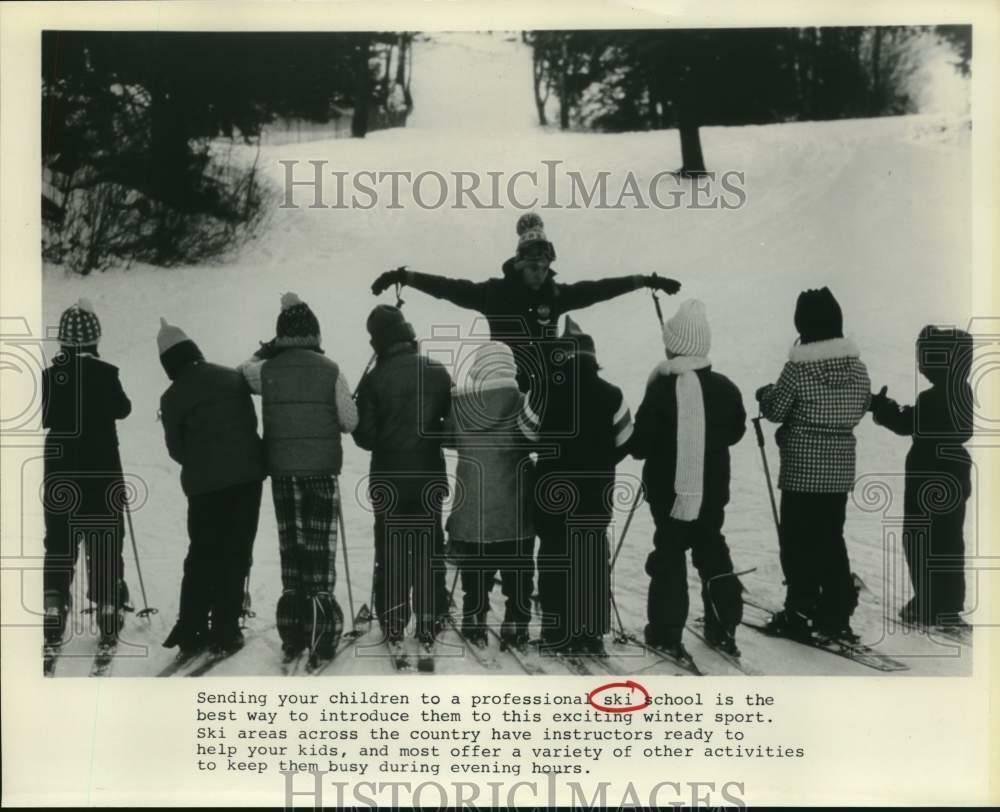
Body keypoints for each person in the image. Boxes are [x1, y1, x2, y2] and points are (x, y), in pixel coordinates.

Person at [369, 213, 681, 401]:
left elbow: (599, 290)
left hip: (548, 391)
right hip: (505, 390)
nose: (539, 274)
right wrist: (405, 277)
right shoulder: (494, 293)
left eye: (545, 268)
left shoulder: (555, 295)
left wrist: (643, 281)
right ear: (519, 264)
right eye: (533, 267)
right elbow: (448, 287)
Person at [238, 293, 356, 662]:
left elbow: (243, 369)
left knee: (293, 550)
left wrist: (267, 350)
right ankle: (323, 632)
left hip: (282, 472)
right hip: (322, 471)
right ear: (315, 333)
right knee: (320, 551)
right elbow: (350, 422)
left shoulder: (266, 370)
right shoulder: (332, 369)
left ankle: (293, 630)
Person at [630, 300, 747, 659]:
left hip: (669, 493)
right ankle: (723, 623)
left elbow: (640, 445)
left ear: (673, 345)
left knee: (669, 553)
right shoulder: (726, 387)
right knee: (711, 547)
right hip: (713, 490)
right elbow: (736, 432)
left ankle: (666, 632)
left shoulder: (663, 388)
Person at [756, 287, 871, 641]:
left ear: (802, 325)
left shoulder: (798, 368)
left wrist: (764, 395)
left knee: (798, 542)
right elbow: (861, 407)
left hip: (802, 471)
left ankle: (800, 611)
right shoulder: (858, 367)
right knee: (831, 539)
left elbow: (775, 412)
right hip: (838, 472)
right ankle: (835, 614)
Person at [158, 318, 266, 656]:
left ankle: (191, 626)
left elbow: (176, 450)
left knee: (202, 552)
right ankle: (226, 627)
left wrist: (202, 460)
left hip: (204, 487)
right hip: (247, 480)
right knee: (236, 550)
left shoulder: (171, 396)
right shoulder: (232, 377)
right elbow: (251, 423)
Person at [353, 305, 452, 649]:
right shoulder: (437, 371)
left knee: (391, 548)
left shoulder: (374, 379)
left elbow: (364, 437)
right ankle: (430, 617)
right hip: (428, 477)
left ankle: (393, 621)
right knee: (429, 548)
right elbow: (452, 431)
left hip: (388, 480)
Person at [533, 317, 633, 656]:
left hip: (552, 490)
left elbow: (525, 435)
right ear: (593, 358)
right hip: (595, 491)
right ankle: (590, 632)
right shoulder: (613, 394)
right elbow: (625, 440)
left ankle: (556, 630)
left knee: (554, 553)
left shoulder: (544, 390)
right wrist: (602, 461)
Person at [42, 299, 132, 647]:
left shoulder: (50, 376)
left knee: (59, 541)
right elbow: (123, 409)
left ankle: (53, 604)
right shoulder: (107, 373)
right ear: (94, 339)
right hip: (102, 470)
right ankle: (108, 604)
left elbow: (43, 416)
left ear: (63, 341)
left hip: (60, 471)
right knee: (105, 536)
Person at [870, 326, 973, 627]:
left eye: (924, 357)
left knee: (919, 538)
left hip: (929, 472)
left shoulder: (933, 397)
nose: (920, 364)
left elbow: (907, 423)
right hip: (956, 470)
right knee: (949, 539)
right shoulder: (963, 390)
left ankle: (928, 603)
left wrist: (881, 407)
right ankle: (948, 604)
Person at [441, 342, 537, 648]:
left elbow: (447, 439)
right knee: (518, 572)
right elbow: (534, 438)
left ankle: (474, 618)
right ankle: (515, 623)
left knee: (476, 570)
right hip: (515, 506)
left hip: (473, 508)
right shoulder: (522, 401)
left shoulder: (460, 404)